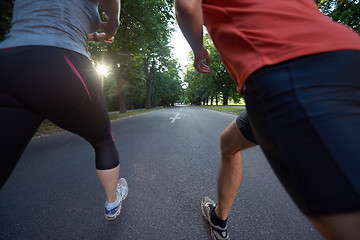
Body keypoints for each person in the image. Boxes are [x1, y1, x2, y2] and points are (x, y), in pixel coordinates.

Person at [175, 0, 360, 239]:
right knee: (229, 143)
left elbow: (187, 7)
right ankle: (219, 219)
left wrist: (197, 51)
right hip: (346, 51)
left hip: (285, 66)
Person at [0, 0, 128, 220]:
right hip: (63, 62)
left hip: (10, 63)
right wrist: (113, 24)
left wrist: (98, 37)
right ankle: (112, 202)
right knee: (103, 140)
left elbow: (59, 23)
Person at [201, 109, 257, 240]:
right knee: (229, 142)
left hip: (276, 96)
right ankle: (218, 220)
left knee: (229, 143)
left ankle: (219, 222)